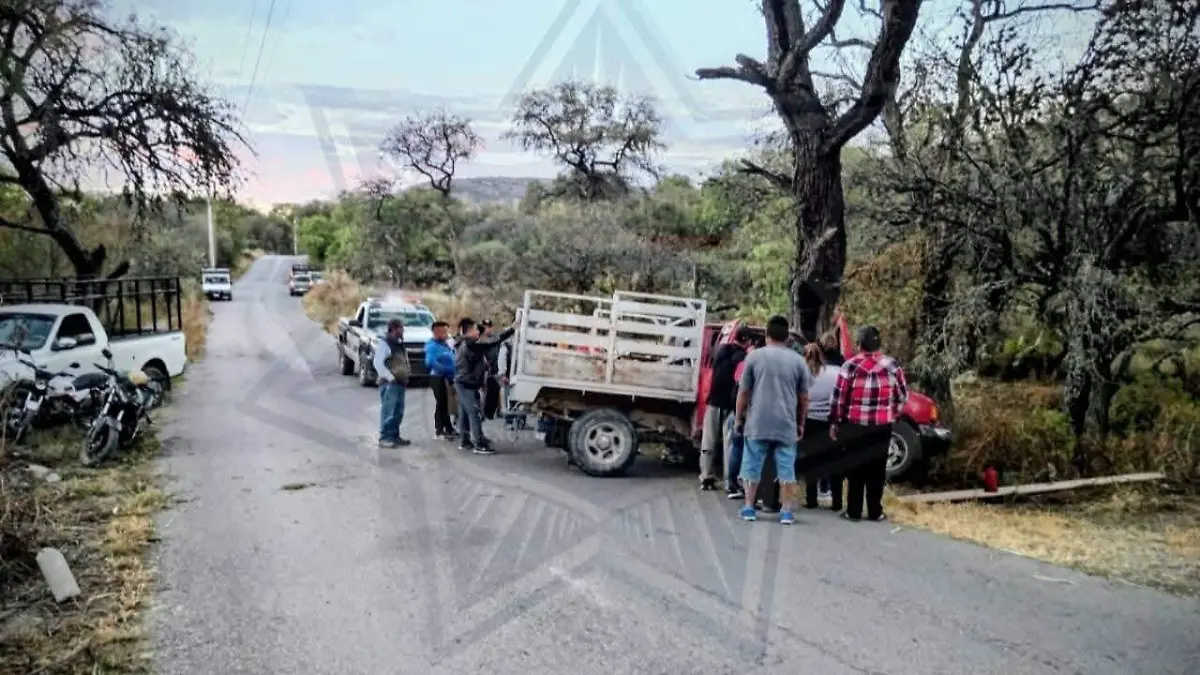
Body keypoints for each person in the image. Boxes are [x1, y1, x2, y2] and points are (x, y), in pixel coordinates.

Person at [733, 315, 810, 525]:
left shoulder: (754, 358)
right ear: (787, 338)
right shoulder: (798, 361)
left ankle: (749, 507)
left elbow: (744, 392)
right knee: (787, 469)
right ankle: (786, 512)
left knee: (752, 465)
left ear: (766, 334)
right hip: (786, 423)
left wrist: (738, 419)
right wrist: (801, 422)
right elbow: (804, 397)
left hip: (758, 422)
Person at [829, 325, 909, 522]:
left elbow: (839, 399)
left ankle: (854, 511)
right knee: (877, 468)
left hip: (855, 425)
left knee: (856, 467)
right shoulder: (892, 366)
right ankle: (875, 511)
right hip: (881, 426)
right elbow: (902, 396)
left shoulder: (850, 366)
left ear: (859, 344)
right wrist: (894, 412)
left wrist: (835, 423)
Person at [699, 327, 752, 493]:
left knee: (708, 441)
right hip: (730, 404)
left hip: (713, 401)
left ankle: (706, 476)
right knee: (729, 443)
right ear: (748, 342)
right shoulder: (742, 357)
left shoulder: (721, 351)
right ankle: (731, 482)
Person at [455, 317, 515, 454]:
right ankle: (478, 444)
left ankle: (466, 441)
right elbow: (493, 341)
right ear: (468, 332)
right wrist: (512, 329)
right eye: (476, 329)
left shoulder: (466, 343)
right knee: (474, 412)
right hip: (466, 383)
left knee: (465, 413)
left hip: (467, 383)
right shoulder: (471, 343)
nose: (478, 331)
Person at [801, 343, 843, 511]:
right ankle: (837, 501)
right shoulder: (835, 372)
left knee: (811, 461)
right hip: (830, 421)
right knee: (834, 461)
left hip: (810, 420)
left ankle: (811, 500)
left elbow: (801, 398)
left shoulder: (803, 374)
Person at [372, 318, 411, 448]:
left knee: (398, 411)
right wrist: (390, 377)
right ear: (394, 329)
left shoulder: (399, 343)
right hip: (390, 383)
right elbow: (378, 363)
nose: (403, 330)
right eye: (401, 328)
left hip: (400, 382)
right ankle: (385, 438)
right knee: (389, 411)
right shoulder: (385, 344)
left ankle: (394, 435)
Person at [424, 321, 457, 440]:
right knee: (441, 404)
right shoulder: (432, 346)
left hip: (447, 377)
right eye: (444, 332)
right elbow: (430, 362)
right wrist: (445, 371)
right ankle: (439, 430)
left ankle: (448, 428)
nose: (446, 334)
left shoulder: (444, 344)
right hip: (438, 378)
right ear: (436, 332)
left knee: (446, 404)